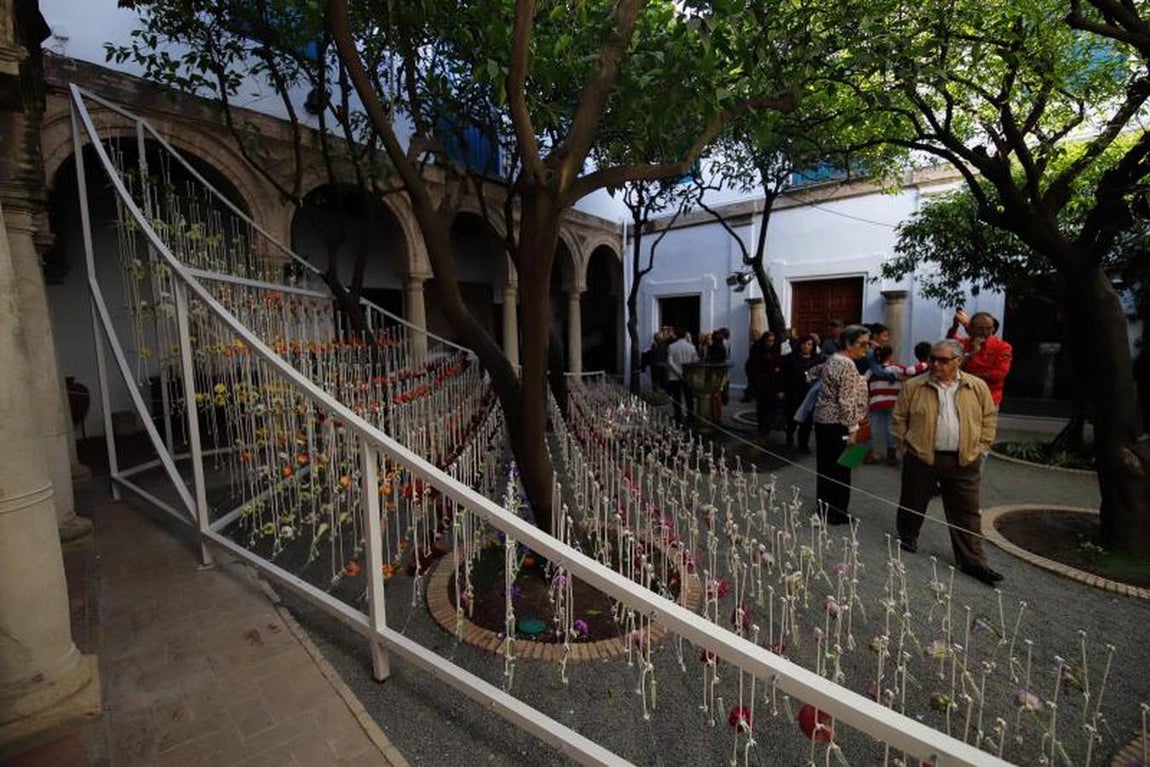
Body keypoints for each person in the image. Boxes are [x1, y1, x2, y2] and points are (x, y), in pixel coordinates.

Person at [891, 339, 1002, 585]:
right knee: (912, 499)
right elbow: (899, 418)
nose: (935, 364)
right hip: (922, 457)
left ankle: (973, 561)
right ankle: (908, 535)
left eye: (943, 360)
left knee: (967, 511)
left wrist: (981, 447)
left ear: (959, 361)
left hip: (964, 459)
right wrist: (906, 445)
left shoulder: (976, 386)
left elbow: (989, 418)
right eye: (932, 359)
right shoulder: (914, 386)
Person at [812, 324, 872, 525]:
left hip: (824, 420)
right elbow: (846, 402)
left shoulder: (833, 359)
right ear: (848, 343)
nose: (866, 349)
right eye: (862, 344)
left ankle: (824, 508)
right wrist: (853, 430)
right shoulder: (847, 365)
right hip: (839, 423)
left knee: (826, 466)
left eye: (868, 344)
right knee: (843, 468)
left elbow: (814, 372)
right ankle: (837, 513)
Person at [864, 345, 928, 465]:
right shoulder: (896, 368)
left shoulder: (871, 371)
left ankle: (870, 455)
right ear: (889, 356)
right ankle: (891, 456)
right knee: (892, 430)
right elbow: (911, 371)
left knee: (872, 430)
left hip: (875, 403)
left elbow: (863, 381)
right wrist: (926, 364)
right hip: (893, 403)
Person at [947, 310, 1013, 408]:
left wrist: (966, 376)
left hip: (989, 397)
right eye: (980, 329)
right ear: (972, 328)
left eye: (989, 328)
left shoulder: (1002, 346)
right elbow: (949, 346)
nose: (985, 332)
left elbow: (999, 374)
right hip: (964, 395)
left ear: (993, 329)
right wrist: (955, 326)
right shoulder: (965, 344)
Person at [782, 334, 823, 452]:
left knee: (807, 421)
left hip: (809, 394)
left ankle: (803, 444)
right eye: (804, 344)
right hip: (794, 393)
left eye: (809, 344)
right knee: (792, 419)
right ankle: (789, 437)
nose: (806, 347)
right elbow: (784, 376)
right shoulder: (791, 359)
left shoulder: (817, 360)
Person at [746, 330, 785, 437]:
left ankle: (768, 425)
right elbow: (751, 367)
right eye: (768, 341)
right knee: (762, 407)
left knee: (771, 407)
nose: (770, 343)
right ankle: (762, 426)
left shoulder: (776, 352)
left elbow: (780, 367)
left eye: (772, 341)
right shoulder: (757, 351)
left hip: (773, 385)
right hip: (761, 385)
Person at [665, 329, 698, 425]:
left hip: (674, 377)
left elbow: (670, 362)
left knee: (676, 398)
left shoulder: (671, 346)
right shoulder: (692, 347)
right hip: (687, 376)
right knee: (689, 397)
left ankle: (678, 416)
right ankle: (691, 417)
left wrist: (679, 372)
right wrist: (685, 373)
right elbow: (694, 361)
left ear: (676, 336)